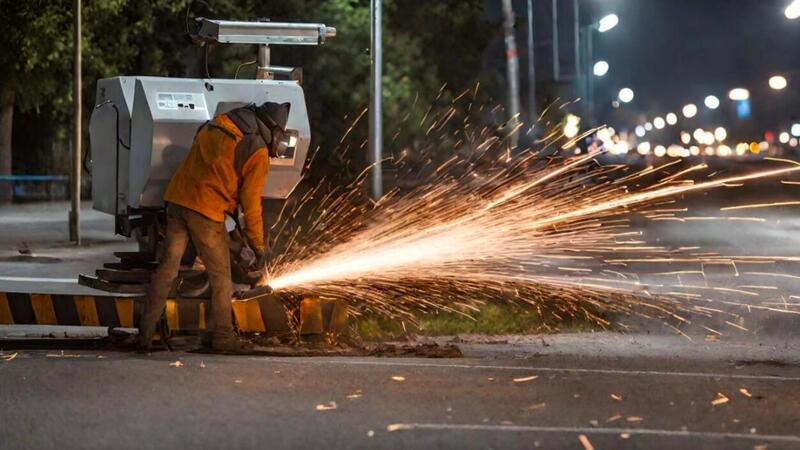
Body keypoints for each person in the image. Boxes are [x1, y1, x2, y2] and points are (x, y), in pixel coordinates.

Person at [138, 101, 290, 353]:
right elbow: (251, 204)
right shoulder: (257, 150)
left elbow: (216, 172)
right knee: (221, 278)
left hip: (177, 201)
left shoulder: (220, 123)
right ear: (273, 130)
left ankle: (145, 335)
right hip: (205, 209)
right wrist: (258, 246)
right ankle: (223, 337)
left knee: (167, 270)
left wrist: (238, 233)